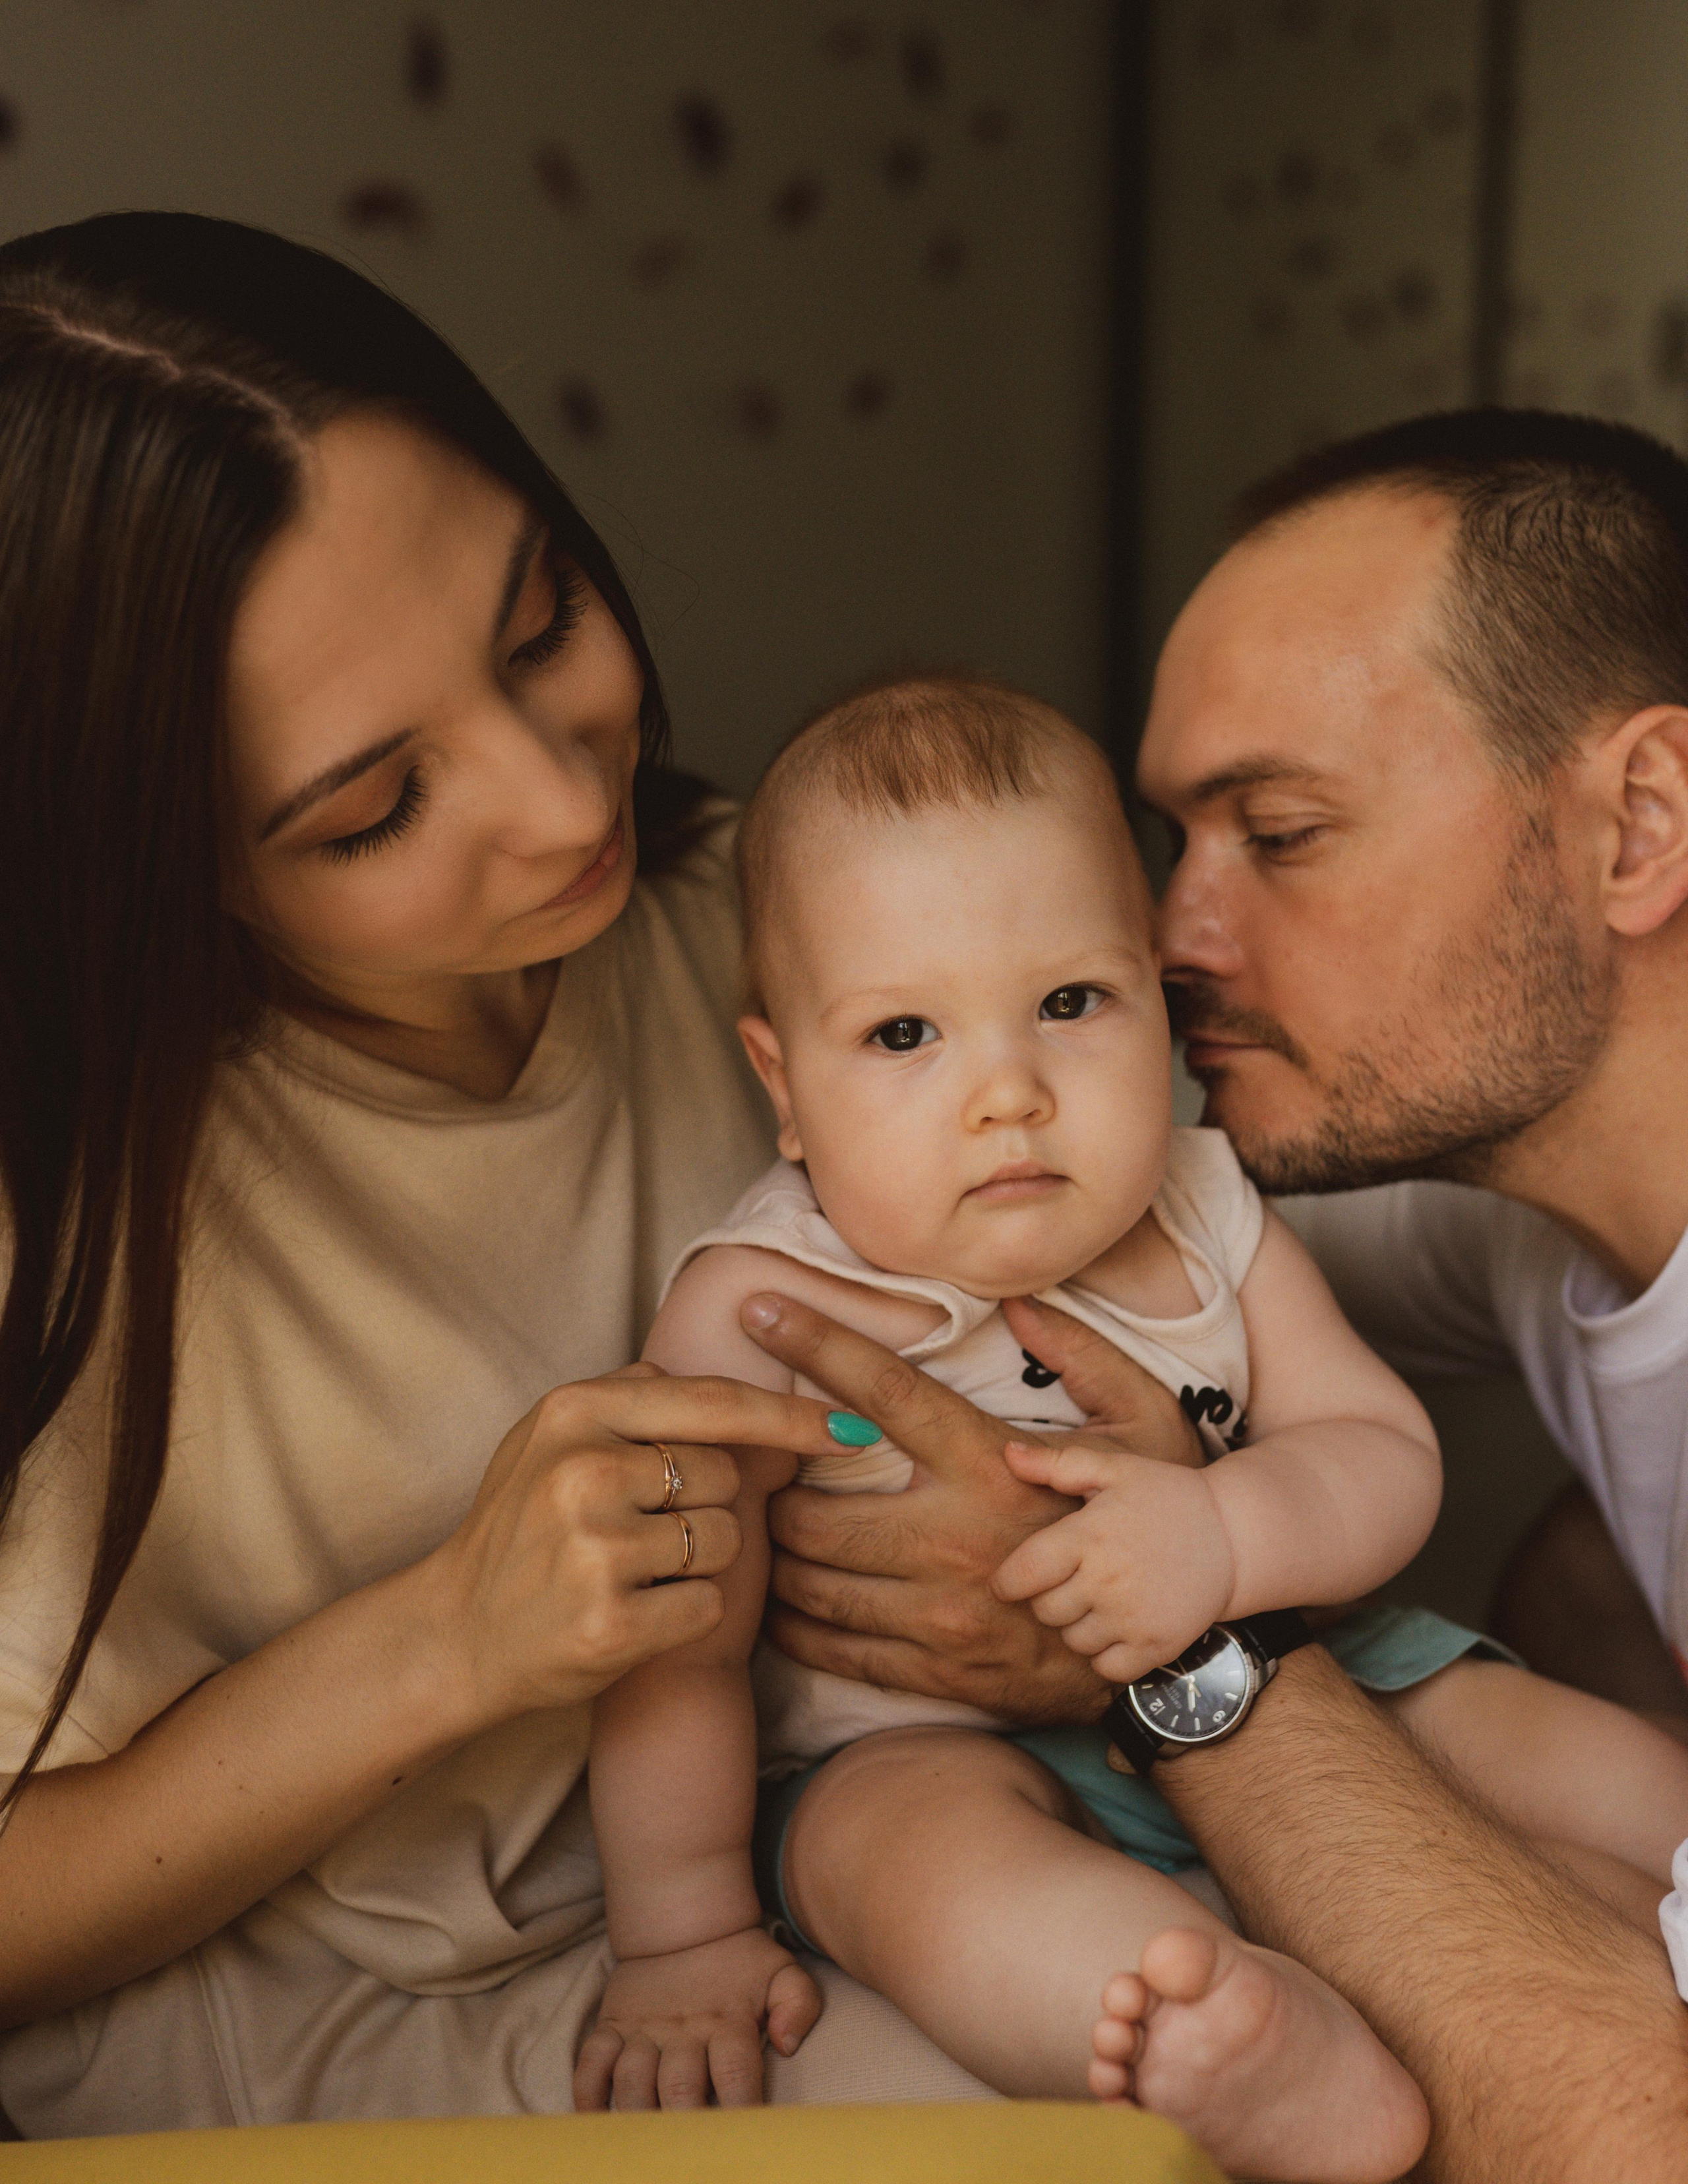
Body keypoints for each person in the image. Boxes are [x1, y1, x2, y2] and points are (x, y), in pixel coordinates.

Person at [0, 210, 986, 2137]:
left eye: (541, 624)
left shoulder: (773, 930)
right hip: (335, 2011)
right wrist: (452, 1638)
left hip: (809, 1870)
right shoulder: (81, 1220)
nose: (559, 800)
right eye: (376, 808)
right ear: (139, 856)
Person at [735, 413, 1688, 2181]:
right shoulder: (1507, 1207)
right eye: (1174, 839)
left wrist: (1171, 1634)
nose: (1171, 938)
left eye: (1282, 828)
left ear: (1639, 823)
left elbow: (1637, 2136)